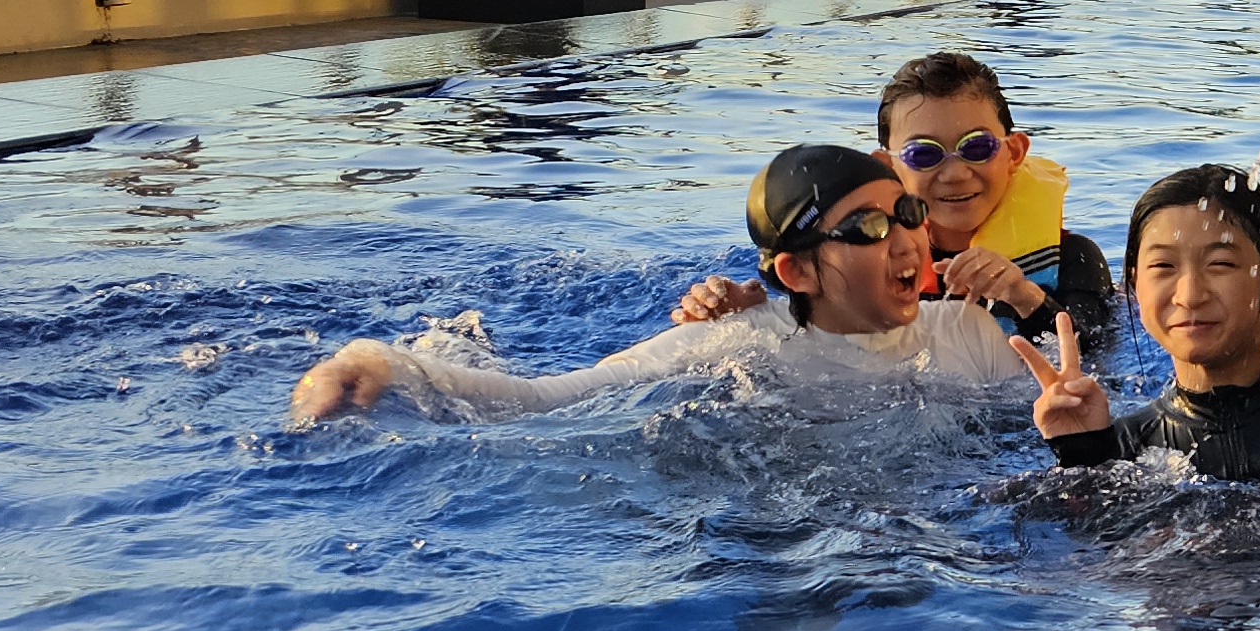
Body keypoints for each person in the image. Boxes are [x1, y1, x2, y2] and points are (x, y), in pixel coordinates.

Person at [290, 144, 1032, 421]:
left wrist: (1031, 305)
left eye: (907, 214)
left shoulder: (969, 332)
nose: (906, 239)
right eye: (868, 228)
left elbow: (1063, 407)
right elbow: (547, 399)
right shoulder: (740, 343)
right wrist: (381, 362)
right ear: (796, 270)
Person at [675, 51, 1118, 347]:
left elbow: (1094, 354)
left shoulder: (1074, 259)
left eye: (977, 147)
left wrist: (1023, 296)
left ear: (1014, 153)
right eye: (924, 154)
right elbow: (815, 321)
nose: (955, 173)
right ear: (888, 167)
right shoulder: (867, 256)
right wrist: (746, 318)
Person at [1020, 165, 1260, 483]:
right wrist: (1080, 456)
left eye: (1220, 265)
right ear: (1135, 287)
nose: (1190, 295)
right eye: (1163, 266)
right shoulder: (1121, 446)